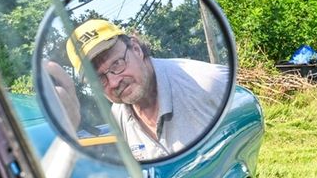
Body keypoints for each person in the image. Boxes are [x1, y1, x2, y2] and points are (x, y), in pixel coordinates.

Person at [50, 19, 228, 161]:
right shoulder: (118, 114)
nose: (112, 82)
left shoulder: (206, 83)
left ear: (136, 49)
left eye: (117, 64)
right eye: (98, 79)